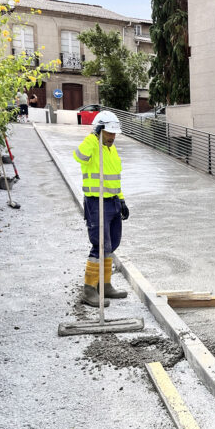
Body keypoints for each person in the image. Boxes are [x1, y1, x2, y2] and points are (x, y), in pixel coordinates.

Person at [72, 110, 130, 306]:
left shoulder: (111, 149)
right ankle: (89, 290)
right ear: (100, 131)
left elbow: (115, 178)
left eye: (114, 133)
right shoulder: (92, 146)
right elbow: (78, 156)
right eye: (109, 133)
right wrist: (92, 136)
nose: (113, 137)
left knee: (112, 244)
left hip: (112, 201)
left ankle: (105, 285)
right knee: (99, 245)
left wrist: (121, 200)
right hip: (96, 202)